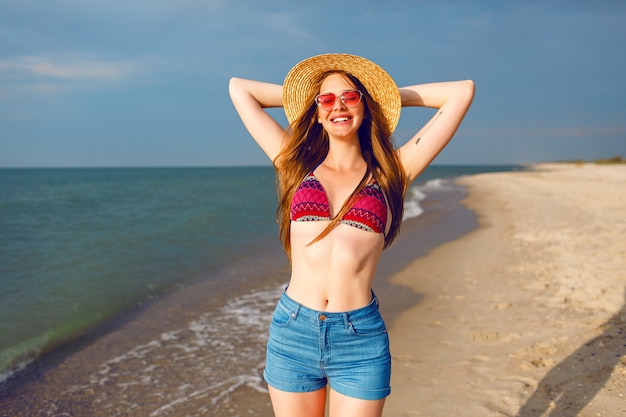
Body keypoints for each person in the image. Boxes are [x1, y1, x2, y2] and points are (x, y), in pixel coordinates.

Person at [229, 53, 474, 417]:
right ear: (314, 111)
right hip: (293, 332)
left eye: (350, 97)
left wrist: (381, 95)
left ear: (366, 105)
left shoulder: (393, 172)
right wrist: (310, 97)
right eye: (326, 100)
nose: (338, 106)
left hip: (359, 339)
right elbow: (240, 89)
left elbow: (461, 92)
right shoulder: (295, 166)